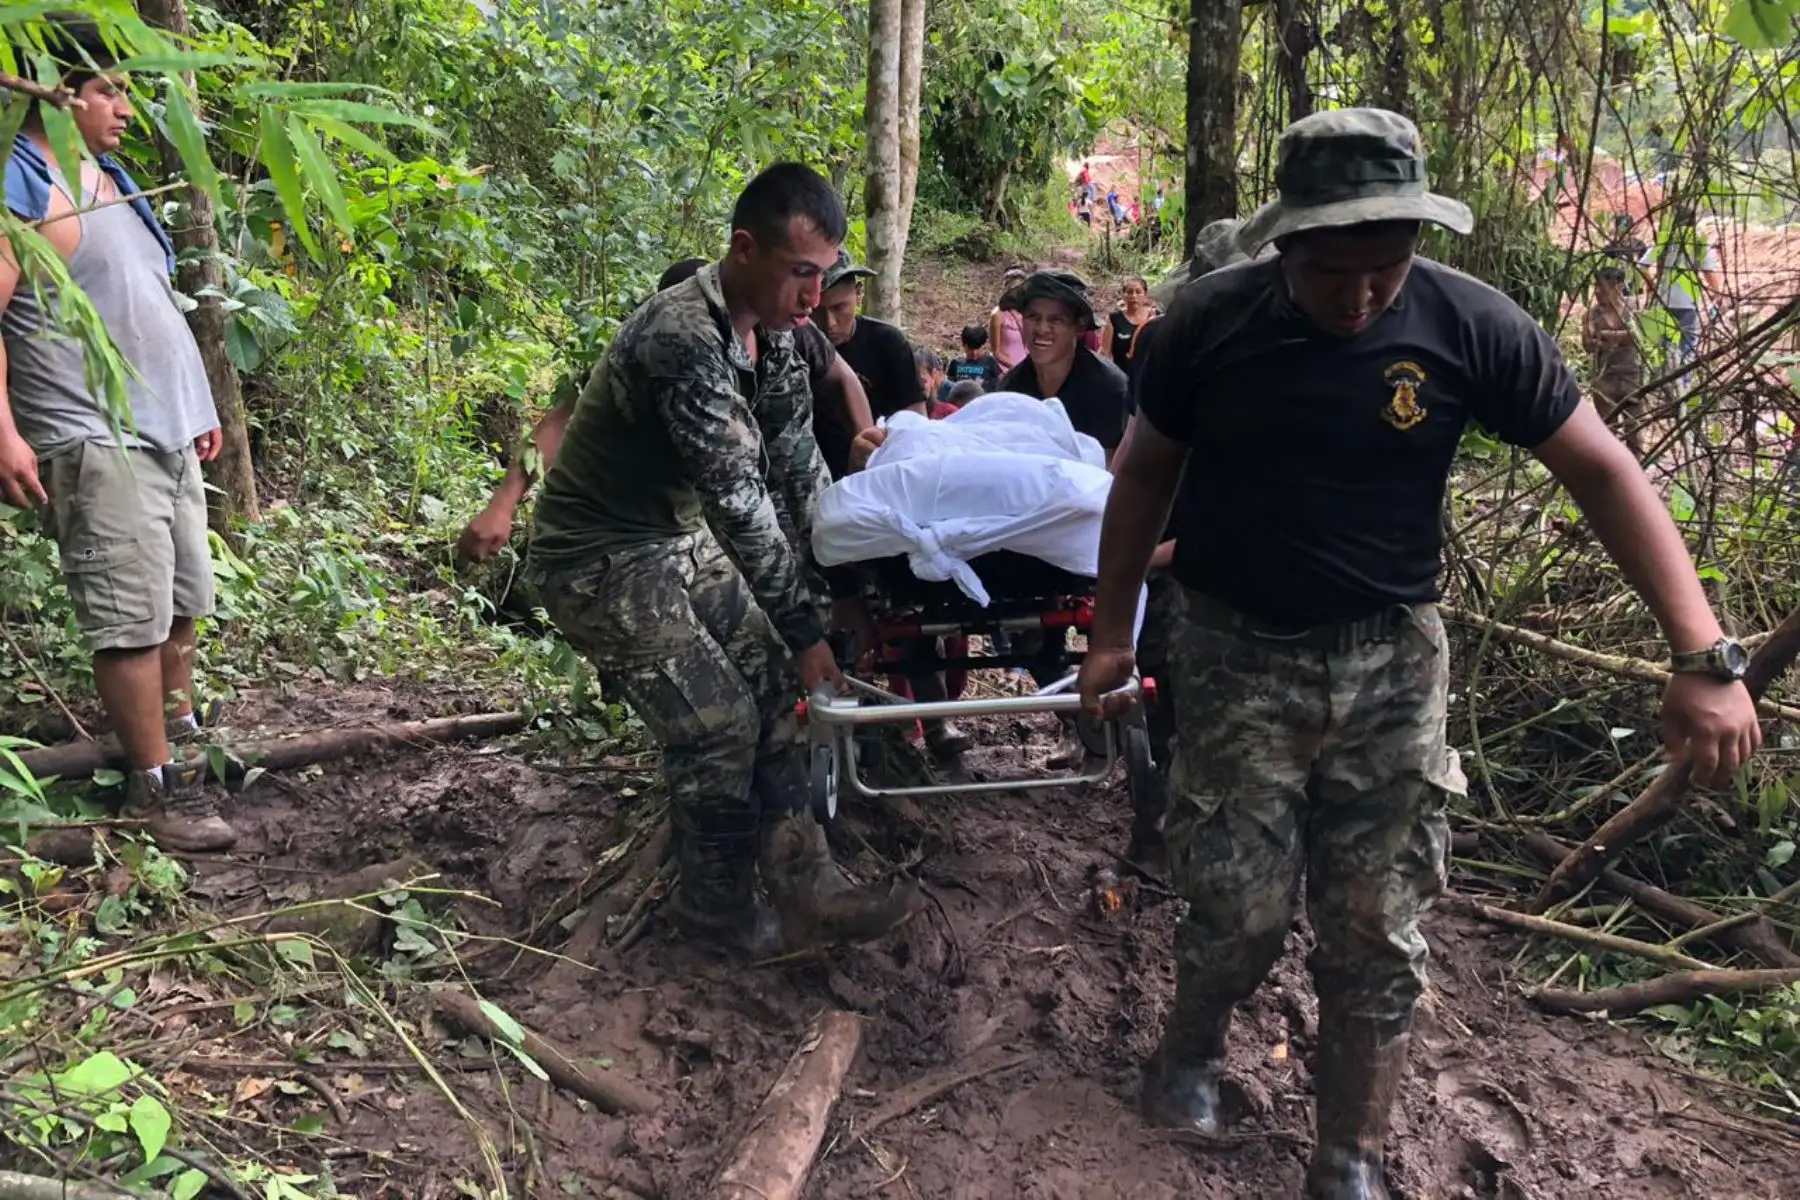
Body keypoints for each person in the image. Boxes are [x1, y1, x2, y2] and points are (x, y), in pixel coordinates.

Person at [1078, 109, 1759, 1200]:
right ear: (1285, 243)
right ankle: (1191, 1046)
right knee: (1237, 906)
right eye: (1331, 271)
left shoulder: (1471, 325)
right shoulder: (1208, 325)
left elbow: (1601, 470)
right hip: (1236, 651)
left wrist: (1702, 651)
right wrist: (1110, 636)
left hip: (1394, 660)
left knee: (1376, 921)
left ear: (1416, 244)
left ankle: (1352, 1147)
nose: (1359, 297)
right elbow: (1144, 476)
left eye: (1383, 270)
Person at [527, 163, 922, 955]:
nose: (816, 297)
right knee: (719, 725)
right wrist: (810, 626)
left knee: (778, 683)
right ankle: (715, 909)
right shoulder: (683, 336)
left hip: (673, 539)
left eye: (825, 276)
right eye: (801, 274)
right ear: (745, 250)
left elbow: (798, 462)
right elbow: (740, 504)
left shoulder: (778, 333)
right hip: (597, 558)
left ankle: (808, 881)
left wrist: (842, 572)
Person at [0, 19, 233, 851]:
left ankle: (182, 744)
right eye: (106, 90)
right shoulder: (23, 186)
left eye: (126, 90)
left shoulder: (115, 179)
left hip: (165, 430)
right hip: (92, 432)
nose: (124, 108)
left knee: (180, 608)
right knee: (128, 620)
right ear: (50, 93)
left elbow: (146, 303)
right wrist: (6, 434)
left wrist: (197, 403)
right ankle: (153, 789)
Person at [459, 257, 874, 557]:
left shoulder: (782, 326)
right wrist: (503, 503)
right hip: (670, 515)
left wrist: (867, 447)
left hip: (771, 486)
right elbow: (560, 422)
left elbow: (842, 377)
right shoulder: (654, 347)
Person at [997, 270, 1130, 464]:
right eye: (1033, 316)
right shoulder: (1010, 388)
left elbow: (1110, 469)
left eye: (1055, 319)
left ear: (1079, 326)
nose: (1041, 329)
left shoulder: (1109, 387)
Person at [813, 251, 925, 421]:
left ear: (858, 295)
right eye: (817, 311)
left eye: (839, 308)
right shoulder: (796, 344)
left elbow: (915, 416)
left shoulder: (887, 343)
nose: (830, 323)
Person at [1638, 206, 1722, 369]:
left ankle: (1664, 380)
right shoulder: (1698, 241)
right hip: (1687, 303)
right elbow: (1709, 273)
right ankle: (1683, 382)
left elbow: (1642, 265)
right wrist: (1716, 295)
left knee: (1665, 346)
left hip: (1664, 301)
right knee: (1686, 350)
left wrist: (1653, 287)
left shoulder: (1666, 239)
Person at [1583, 265, 1645, 456]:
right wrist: (1606, 340)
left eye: (1602, 287)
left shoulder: (1633, 309)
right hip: (1605, 380)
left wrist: (1607, 335)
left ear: (1617, 288)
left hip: (1631, 377)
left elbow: (1639, 338)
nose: (1597, 292)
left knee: (1634, 433)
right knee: (1608, 433)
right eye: (1596, 287)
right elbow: (1587, 344)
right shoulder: (1591, 314)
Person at [1108, 277, 1156, 375]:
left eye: (1138, 292)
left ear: (1146, 295)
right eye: (1129, 292)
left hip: (1147, 377)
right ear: (1123, 295)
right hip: (1121, 376)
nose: (1134, 296)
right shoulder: (1114, 319)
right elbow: (1105, 353)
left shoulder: (1155, 318)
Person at [988, 266, 1030, 373]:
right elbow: (996, 352)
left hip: (1027, 368)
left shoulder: (1026, 311)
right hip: (1006, 371)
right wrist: (1015, 367)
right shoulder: (998, 314)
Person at [948, 325, 1002, 393]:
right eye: (970, 349)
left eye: (978, 348)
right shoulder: (956, 363)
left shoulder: (990, 363)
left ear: (983, 346)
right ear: (964, 345)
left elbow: (999, 386)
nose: (974, 353)